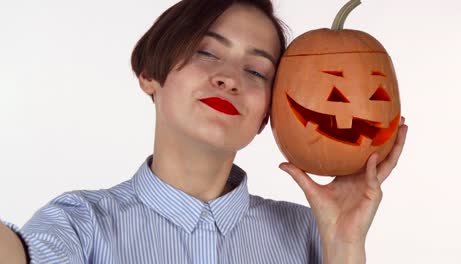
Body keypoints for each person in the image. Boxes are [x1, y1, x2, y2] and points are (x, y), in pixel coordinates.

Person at [0, 0, 408, 263]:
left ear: (270, 114)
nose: (229, 79)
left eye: (255, 70)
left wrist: (343, 246)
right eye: (206, 52)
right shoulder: (79, 224)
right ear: (150, 73)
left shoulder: (311, 233)